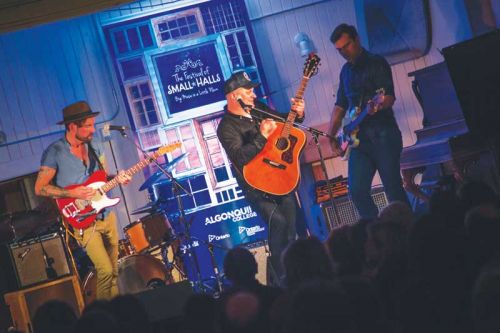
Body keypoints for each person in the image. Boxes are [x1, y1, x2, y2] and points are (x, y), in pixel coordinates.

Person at [34, 101, 131, 300]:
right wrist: (72, 194)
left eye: (92, 124)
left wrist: (118, 179)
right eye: (87, 126)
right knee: (104, 270)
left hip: (106, 214)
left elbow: (103, 179)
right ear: (72, 127)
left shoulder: (95, 145)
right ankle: (105, 316)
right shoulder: (55, 152)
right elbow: (40, 188)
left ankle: (116, 318)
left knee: (113, 271)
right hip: (82, 220)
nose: (92, 130)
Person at [216, 71, 305, 284]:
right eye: (248, 91)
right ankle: (280, 278)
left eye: (253, 90)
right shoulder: (226, 127)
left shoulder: (259, 109)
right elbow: (239, 157)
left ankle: (297, 273)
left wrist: (297, 114)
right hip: (254, 186)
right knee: (279, 222)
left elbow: (285, 123)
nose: (253, 94)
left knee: (292, 227)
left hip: (279, 177)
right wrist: (261, 136)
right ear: (233, 96)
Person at [329, 23, 410, 219]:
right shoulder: (345, 71)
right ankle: (376, 233)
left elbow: (388, 97)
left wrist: (378, 105)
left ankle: (409, 230)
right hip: (359, 143)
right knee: (356, 191)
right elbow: (340, 105)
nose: (344, 53)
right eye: (339, 50)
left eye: (346, 46)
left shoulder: (377, 62)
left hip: (383, 136)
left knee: (393, 190)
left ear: (356, 39)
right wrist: (331, 134)